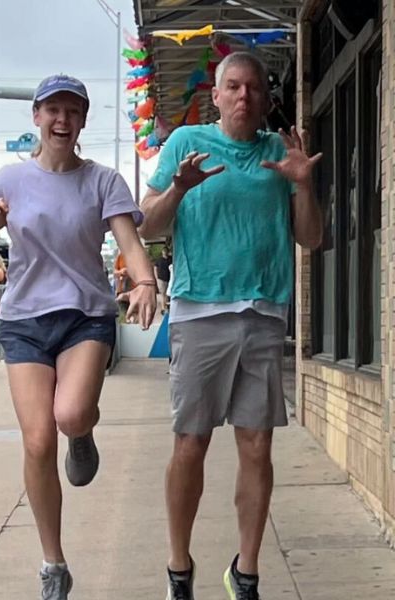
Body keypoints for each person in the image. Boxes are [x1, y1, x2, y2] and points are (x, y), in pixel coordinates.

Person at [0, 74, 157, 600]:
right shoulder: (9, 180)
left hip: (84, 316)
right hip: (24, 321)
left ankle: (83, 431)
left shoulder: (103, 180)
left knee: (68, 415)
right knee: (37, 441)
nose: (62, 120)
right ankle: (53, 563)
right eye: (53, 110)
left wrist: (143, 281)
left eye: (73, 111)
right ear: (36, 118)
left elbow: (129, 242)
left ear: (83, 121)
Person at [138, 51, 322, 600]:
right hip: (200, 314)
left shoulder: (280, 152)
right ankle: (178, 569)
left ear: (266, 99)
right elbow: (146, 226)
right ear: (216, 96)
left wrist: (304, 185)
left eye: (255, 89)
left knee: (257, 447)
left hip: (265, 314)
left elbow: (311, 238)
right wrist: (179, 188)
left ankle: (245, 572)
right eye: (234, 87)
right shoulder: (184, 145)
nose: (245, 96)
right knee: (190, 444)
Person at [154, 246, 172, 312]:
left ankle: (167, 307)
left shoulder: (171, 259)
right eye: (164, 251)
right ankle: (163, 308)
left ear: (168, 251)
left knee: (168, 294)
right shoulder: (159, 260)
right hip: (161, 279)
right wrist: (156, 277)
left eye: (166, 251)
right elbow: (155, 268)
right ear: (162, 252)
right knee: (163, 294)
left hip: (169, 279)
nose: (165, 252)